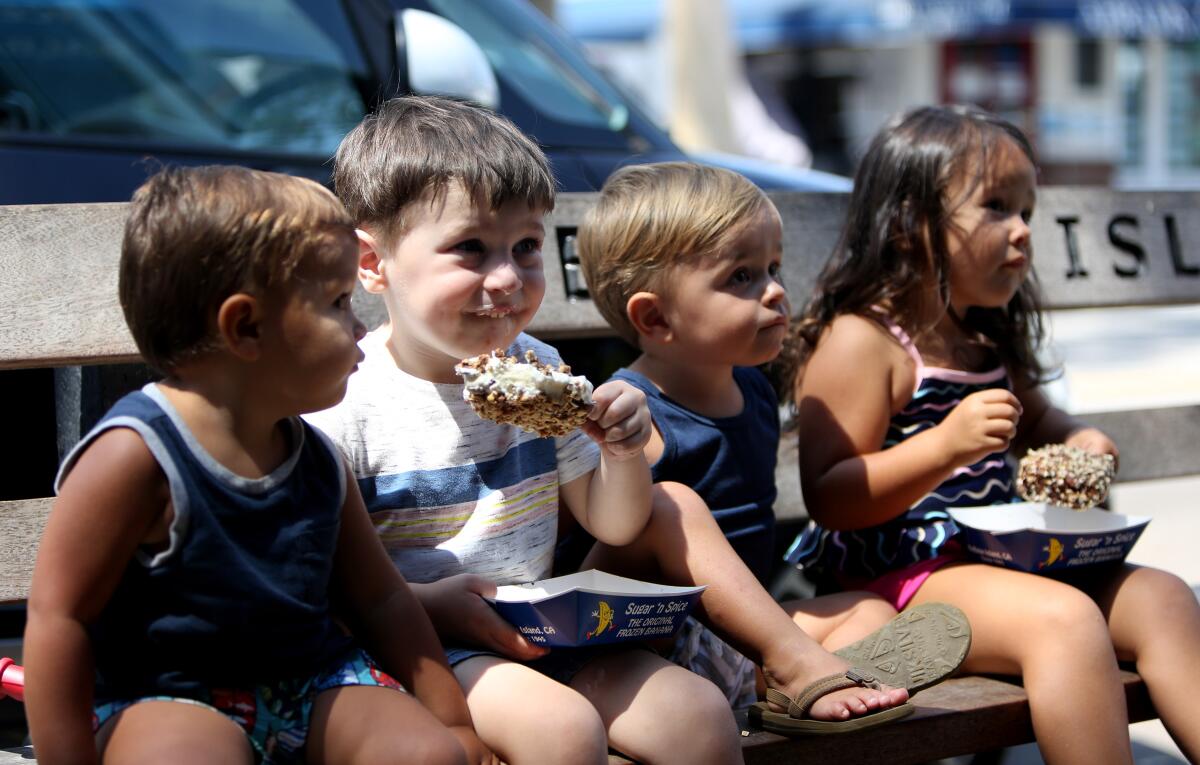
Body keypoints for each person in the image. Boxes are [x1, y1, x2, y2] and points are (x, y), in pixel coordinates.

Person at [305, 95, 913, 762]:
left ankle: (786, 668)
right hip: (426, 646)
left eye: (527, 246)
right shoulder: (349, 402)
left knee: (697, 713)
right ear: (373, 263)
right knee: (562, 728)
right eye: (471, 249)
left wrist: (621, 453)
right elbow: (329, 586)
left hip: (550, 628)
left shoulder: (538, 364)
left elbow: (615, 525)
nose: (507, 277)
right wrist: (433, 603)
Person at [23, 166, 492, 765]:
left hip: (314, 683)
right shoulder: (136, 456)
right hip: (171, 696)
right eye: (337, 302)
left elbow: (381, 602)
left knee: (430, 756)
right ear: (245, 327)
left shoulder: (317, 458)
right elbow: (59, 616)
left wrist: (455, 724)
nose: (359, 327)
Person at [781, 104, 1200, 764]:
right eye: (998, 207)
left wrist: (1080, 439)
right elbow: (832, 495)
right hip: (903, 574)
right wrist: (943, 446)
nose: (1023, 232)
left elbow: (1039, 423)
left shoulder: (982, 335)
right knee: (1064, 622)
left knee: (1164, 598)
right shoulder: (864, 341)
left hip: (1001, 563)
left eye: (1028, 211)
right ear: (912, 225)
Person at [575, 160, 970, 710]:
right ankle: (799, 676)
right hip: (653, 649)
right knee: (671, 504)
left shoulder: (755, 390)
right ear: (657, 318)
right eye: (741, 277)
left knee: (870, 613)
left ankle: (794, 695)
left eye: (775, 268)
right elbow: (603, 554)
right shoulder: (629, 418)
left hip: (746, 636)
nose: (775, 292)